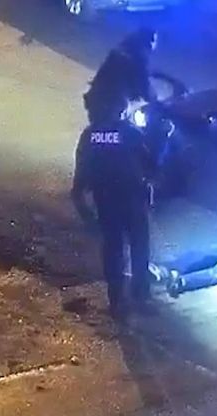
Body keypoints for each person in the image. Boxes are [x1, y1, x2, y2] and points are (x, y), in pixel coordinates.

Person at [71, 94, 155, 318]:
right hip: (132, 199)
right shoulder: (130, 133)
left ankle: (116, 301)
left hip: (106, 202)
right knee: (139, 248)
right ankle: (141, 296)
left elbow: (80, 178)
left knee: (114, 251)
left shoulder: (90, 136)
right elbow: (151, 164)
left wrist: (84, 211)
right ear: (120, 109)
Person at [84, 27, 158, 121]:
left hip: (95, 97)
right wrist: (154, 100)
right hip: (114, 104)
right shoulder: (140, 58)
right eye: (154, 40)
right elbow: (144, 86)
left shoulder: (119, 51)